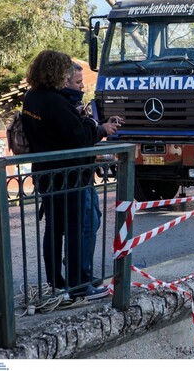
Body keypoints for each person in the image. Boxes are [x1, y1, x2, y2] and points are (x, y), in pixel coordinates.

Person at [22, 50, 117, 300]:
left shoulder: (31, 97)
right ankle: (78, 285)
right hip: (69, 176)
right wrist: (95, 125)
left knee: (53, 229)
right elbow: (79, 137)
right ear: (55, 72)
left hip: (46, 174)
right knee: (74, 229)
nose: (68, 77)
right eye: (65, 72)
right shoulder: (55, 102)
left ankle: (57, 283)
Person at [62, 62, 122, 283]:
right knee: (85, 223)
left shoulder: (73, 102)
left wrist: (102, 124)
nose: (82, 87)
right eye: (78, 83)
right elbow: (79, 136)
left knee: (92, 220)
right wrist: (101, 130)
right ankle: (80, 273)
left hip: (84, 173)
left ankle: (80, 270)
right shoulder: (63, 104)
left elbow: (84, 129)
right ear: (64, 82)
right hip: (75, 174)